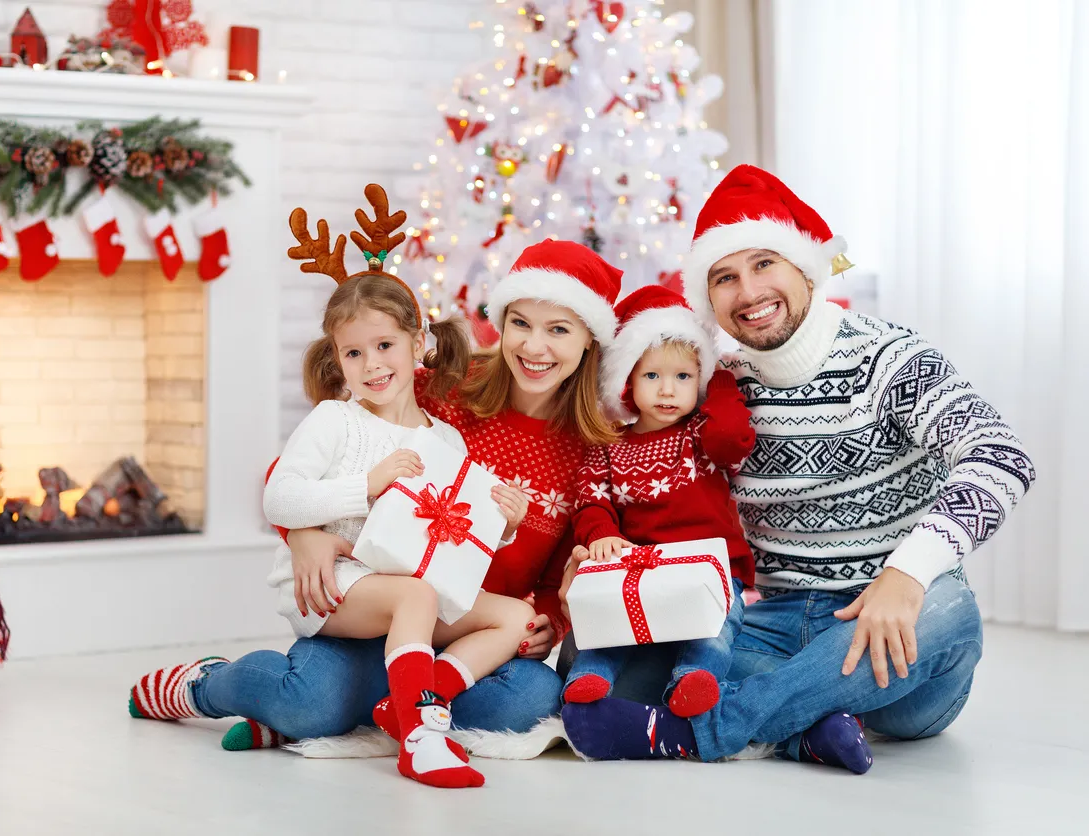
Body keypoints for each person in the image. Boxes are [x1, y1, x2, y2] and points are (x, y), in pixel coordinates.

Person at [560, 165, 1035, 775]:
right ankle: (801, 727)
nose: (748, 292)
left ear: (804, 266)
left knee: (949, 611)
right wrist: (602, 546)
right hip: (771, 627)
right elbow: (653, 483)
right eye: (724, 278)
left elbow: (1001, 456)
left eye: (764, 264)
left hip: (889, 633)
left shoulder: (891, 359)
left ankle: (699, 733)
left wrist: (906, 575)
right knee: (591, 650)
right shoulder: (712, 386)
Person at [131, 228, 625, 758]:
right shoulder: (449, 389)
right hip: (378, 597)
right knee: (308, 701)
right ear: (500, 324)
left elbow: (553, 577)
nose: (534, 346)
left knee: (530, 699)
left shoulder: (592, 452)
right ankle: (230, 688)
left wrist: (546, 620)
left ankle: (364, 709)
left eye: (559, 330)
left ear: (589, 341)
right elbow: (314, 463)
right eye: (520, 324)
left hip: (467, 635)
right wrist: (302, 534)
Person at [561, 284, 755, 719]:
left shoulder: (700, 436)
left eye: (683, 377)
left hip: (711, 569)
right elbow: (590, 500)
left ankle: (692, 682)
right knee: (609, 626)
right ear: (627, 381)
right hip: (641, 569)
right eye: (653, 376)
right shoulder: (610, 446)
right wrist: (603, 534)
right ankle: (588, 681)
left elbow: (733, 438)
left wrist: (720, 383)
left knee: (716, 631)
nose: (668, 391)